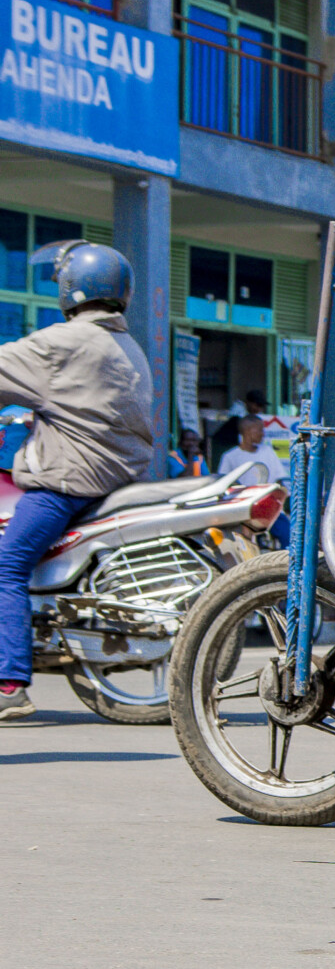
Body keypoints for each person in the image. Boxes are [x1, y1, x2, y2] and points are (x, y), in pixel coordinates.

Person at [0, 243, 154, 723]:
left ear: (70, 289)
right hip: (111, 475)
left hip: (68, 480)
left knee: (6, 566)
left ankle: (8, 684)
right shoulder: (126, 345)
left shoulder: (63, 343)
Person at [218, 412, 276, 484]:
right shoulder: (230, 457)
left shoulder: (268, 452)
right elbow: (223, 482)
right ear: (247, 431)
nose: (263, 434)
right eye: (260, 430)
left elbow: (279, 478)